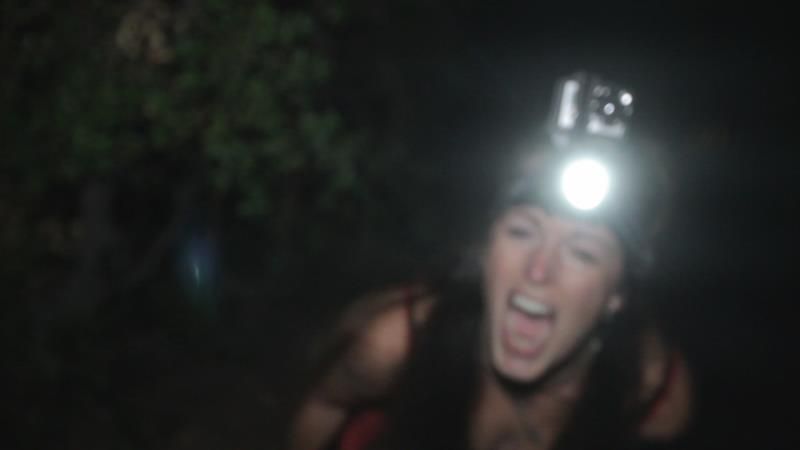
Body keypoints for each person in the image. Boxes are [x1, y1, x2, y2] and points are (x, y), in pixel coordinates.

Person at [288, 99, 692, 450]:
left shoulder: (652, 396)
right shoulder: (397, 345)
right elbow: (324, 404)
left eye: (582, 253)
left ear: (618, 294)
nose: (538, 270)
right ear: (484, 250)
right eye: (521, 232)